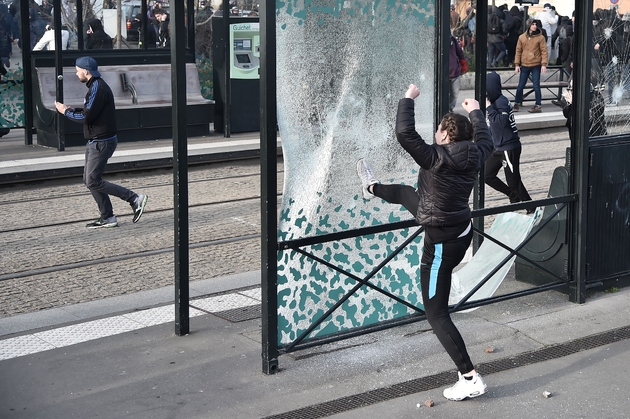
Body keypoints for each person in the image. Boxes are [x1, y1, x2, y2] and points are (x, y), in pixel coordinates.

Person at [356, 85, 493, 401]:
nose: (434, 133)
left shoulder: (437, 158)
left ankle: (469, 376)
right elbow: (486, 138)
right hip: (459, 228)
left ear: (446, 135)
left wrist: (407, 98)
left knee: (436, 314)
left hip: (442, 241)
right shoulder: (476, 154)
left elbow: (405, 133)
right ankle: (372, 188)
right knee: (407, 193)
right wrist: (475, 111)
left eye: (439, 130)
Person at [54, 57, 148, 229]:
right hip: (96, 140)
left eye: (77, 70)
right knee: (90, 179)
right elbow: (91, 112)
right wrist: (71, 109)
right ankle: (108, 217)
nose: (76, 73)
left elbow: (85, 117)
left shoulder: (97, 87)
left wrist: (65, 112)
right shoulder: (95, 86)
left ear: (86, 71)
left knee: (92, 180)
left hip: (101, 142)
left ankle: (134, 198)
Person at [485, 72, 534, 212]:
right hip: (498, 147)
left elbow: (501, 122)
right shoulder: (494, 102)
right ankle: (513, 196)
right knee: (486, 175)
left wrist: (489, 107)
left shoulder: (501, 101)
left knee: (514, 181)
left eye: (486, 89)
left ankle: (530, 207)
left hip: (509, 147)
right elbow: (492, 126)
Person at [513, 20, 548, 113]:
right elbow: (518, 51)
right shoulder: (522, 37)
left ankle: (538, 105)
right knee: (520, 85)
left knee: (536, 85)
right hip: (524, 65)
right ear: (529, 25)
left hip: (536, 64)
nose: (534, 26)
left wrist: (544, 64)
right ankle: (516, 103)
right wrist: (517, 64)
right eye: (532, 24)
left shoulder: (540, 38)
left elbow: (544, 51)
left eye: (536, 24)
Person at [449, 34, 467, 113]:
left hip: (455, 71)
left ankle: (450, 109)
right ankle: (446, 109)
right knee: (446, 94)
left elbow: (460, 52)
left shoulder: (452, 39)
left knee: (454, 93)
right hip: (444, 72)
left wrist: (463, 64)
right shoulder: (436, 38)